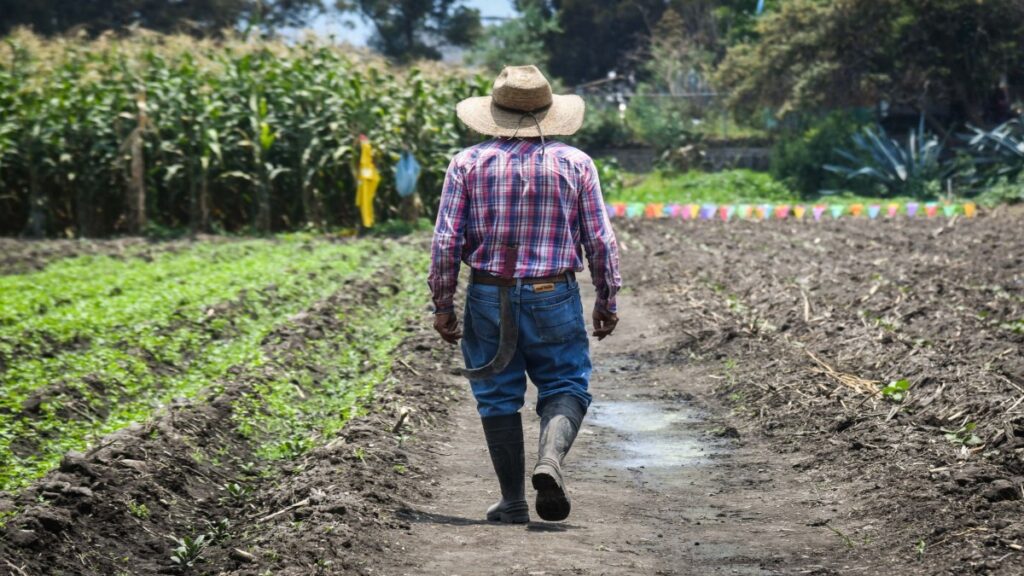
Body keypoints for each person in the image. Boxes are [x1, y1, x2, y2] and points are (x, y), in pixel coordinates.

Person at [427, 65, 622, 523]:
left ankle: (513, 500)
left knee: (497, 394)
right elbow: (600, 240)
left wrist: (442, 304)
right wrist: (607, 300)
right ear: (549, 112)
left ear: (494, 113)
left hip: (488, 295)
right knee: (565, 382)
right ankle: (549, 461)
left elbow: (446, 242)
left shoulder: (466, 164)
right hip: (553, 291)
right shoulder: (576, 163)